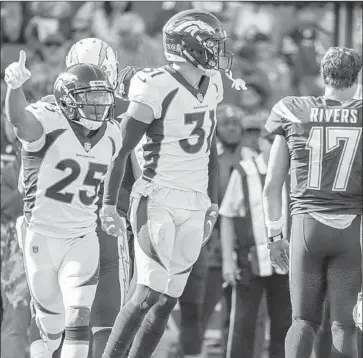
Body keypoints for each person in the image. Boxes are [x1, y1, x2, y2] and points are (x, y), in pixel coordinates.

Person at [99, 9, 246, 358]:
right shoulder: (156, 84)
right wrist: (107, 203)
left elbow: (209, 147)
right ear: (188, 46)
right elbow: (121, 151)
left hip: (194, 202)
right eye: (210, 43)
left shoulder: (213, 84)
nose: (217, 49)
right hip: (158, 197)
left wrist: (211, 200)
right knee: (147, 292)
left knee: (168, 299)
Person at [4, 52, 122, 358]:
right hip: (41, 234)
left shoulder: (112, 133)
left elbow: (117, 170)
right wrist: (14, 87)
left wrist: (109, 206)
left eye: (102, 96)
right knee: (50, 325)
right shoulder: (48, 120)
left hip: (82, 236)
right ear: (68, 101)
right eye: (90, 98)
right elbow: (18, 121)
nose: (99, 105)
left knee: (78, 313)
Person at [262, 47, 362, 358]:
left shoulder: (293, 109)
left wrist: (275, 236)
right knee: (344, 324)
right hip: (352, 231)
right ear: (357, 77)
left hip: (307, 228)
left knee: (303, 319)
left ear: (322, 76)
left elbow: (271, 186)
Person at [219, 126, 291, 358]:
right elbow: (228, 215)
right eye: (272, 142)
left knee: (284, 324)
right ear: (262, 143)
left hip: (285, 261)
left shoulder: (293, 172)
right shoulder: (245, 171)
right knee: (243, 324)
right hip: (249, 260)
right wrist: (228, 262)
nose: (278, 148)